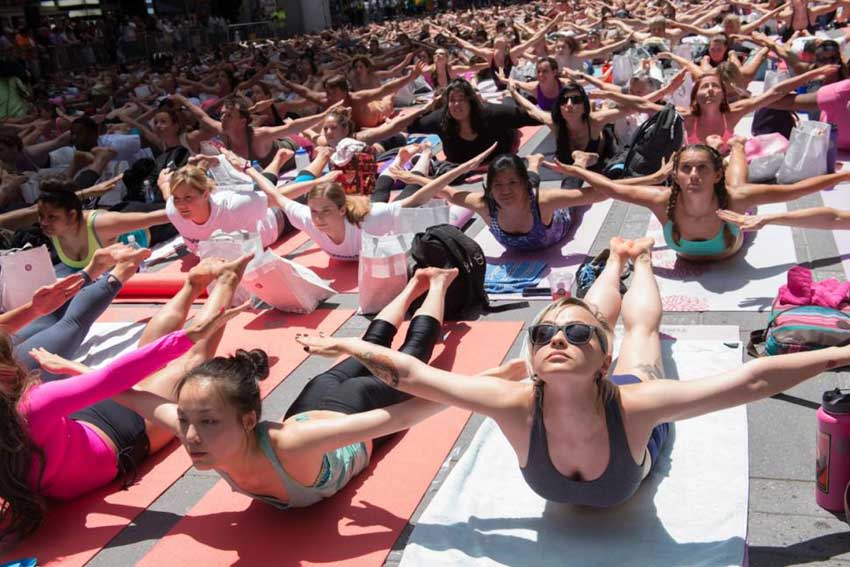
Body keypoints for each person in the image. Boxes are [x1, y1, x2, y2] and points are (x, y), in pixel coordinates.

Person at [297, 235, 850, 508]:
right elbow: (412, 377)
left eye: (578, 337)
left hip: (636, 406)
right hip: (595, 395)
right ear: (532, 357)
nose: (558, 338)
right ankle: (613, 260)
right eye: (544, 335)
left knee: (640, 336)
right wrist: (343, 344)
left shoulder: (634, 405)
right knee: (593, 310)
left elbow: (753, 381)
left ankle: (638, 262)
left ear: (600, 362)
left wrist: (842, 354)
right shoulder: (512, 405)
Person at [107, 266, 515, 510]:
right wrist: (77, 380)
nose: (190, 436)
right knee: (371, 347)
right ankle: (412, 287)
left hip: (350, 408)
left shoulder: (293, 444)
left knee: (413, 358)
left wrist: (479, 387)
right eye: (186, 420)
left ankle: (438, 284)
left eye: (208, 421)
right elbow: (140, 399)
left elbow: (401, 414)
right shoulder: (199, 431)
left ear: (248, 420)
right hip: (315, 398)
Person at [0, 257, 247, 540]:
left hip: (107, 430)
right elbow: (111, 378)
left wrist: (189, 337)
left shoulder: (34, 404)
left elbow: (111, 378)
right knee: (163, 358)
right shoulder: (34, 404)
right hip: (96, 431)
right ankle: (194, 285)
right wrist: (187, 336)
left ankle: (224, 279)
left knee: (190, 360)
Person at [545, 143, 850, 261]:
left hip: (738, 206)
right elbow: (612, 189)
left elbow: (795, 191)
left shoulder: (735, 198)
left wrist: (841, 177)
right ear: (674, 175)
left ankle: (738, 148)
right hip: (724, 206)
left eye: (702, 168)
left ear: (714, 174)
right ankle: (733, 152)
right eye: (686, 168)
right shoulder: (661, 201)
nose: (693, 175)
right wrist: (578, 171)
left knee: (738, 184)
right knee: (737, 185)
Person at [252, 144, 495, 261]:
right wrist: (248, 170)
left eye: (325, 211)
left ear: (341, 209)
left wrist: (463, 169)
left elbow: (417, 198)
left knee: (412, 184)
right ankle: (400, 160)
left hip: (375, 220)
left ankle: (425, 156)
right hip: (364, 212)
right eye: (314, 211)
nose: (318, 218)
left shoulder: (371, 220)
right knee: (380, 189)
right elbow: (276, 197)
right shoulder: (308, 219)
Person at [395, 152, 607, 252]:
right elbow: (448, 193)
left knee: (570, 189)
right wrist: (415, 178)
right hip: (527, 187)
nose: (504, 191)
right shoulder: (484, 204)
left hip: (557, 219)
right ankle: (533, 163)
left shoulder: (544, 200)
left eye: (512, 183)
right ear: (489, 187)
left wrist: (576, 170)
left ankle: (580, 160)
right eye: (497, 185)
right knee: (518, 185)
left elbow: (598, 194)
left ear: (523, 184)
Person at [161, 150, 337, 253]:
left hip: (273, 219)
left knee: (294, 188)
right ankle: (277, 160)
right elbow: (169, 196)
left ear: (206, 194)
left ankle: (322, 157)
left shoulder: (233, 206)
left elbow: (277, 197)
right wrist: (163, 183)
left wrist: (320, 182)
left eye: (188, 198)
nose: (181, 204)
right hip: (249, 204)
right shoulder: (173, 209)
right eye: (178, 198)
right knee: (256, 187)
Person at [36, 181, 173, 273]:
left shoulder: (101, 225)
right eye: (41, 216)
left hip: (147, 227)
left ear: (72, 215)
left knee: (177, 207)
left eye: (52, 217)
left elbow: (157, 217)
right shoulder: (52, 232)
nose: (44, 223)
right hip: (118, 220)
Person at [407, 78, 537, 166]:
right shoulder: (440, 119)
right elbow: (407, 126)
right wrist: (426, 108)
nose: (456, 104)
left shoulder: (493, 114)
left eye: (462, 99)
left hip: (508, 133)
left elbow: (534, 117)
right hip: (465, 167)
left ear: (471, 101)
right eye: (452, 100)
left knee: (509, 104)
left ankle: (508, 94)